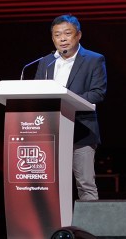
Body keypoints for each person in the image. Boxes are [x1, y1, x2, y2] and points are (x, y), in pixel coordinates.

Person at [34, 14, 107, 201]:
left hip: (81, 130)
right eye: (57, 35)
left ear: (78, 35)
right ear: (53, 38)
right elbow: (36, 92)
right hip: (49, 131)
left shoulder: (94, 60)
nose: (63, 39)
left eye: (67, 33)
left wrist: (67, 100)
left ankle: (89, 221)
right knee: (50, 184)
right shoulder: (46, 62)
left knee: (85, 185)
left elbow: (98, 93)